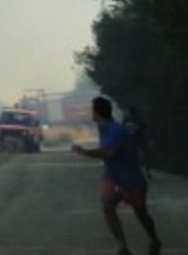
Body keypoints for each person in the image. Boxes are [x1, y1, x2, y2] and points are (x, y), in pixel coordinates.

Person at [72, 96, 162, 255]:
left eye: (92, 110)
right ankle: (122, 247)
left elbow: (108, 152)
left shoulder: (116, 130)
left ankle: (154, 240)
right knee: (107, 206)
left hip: (131, 178)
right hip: (112, 176)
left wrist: (85, 152)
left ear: (97, 112)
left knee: (141, 213)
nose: (90, 113)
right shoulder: (103, 127)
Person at [122, 105, 153, 180]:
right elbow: (147, 127)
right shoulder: (139, 119)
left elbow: (122, 130)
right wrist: (148, 137)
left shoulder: (126, 119)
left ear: (129, 112)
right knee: (145, 155)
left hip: (130, 140)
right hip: (140, 139)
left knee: (130, 156)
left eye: (127, 111)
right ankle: (147, 171)